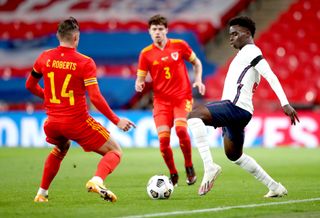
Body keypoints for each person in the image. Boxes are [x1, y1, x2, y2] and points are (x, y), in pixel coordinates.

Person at [26, 17, 135, 203]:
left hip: (52, 122)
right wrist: (117, 120)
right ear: (76, 38)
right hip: (76, 122)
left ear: (57, 35)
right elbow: (95, 97)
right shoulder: (84, 62)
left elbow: (30, 85)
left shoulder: (44, 56)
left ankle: (41, 194)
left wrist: (52, 99)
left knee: (61, 147)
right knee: (115, 151)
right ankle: (97, 181)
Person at [187, 16, 299, 197]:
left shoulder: (251, 51)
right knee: (234, 155)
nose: (231, 38)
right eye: (230, 35)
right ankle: (274, 186)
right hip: (239, 111)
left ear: (247, 33)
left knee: (194, 115)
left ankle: (209, 166)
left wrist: (284, 102)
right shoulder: (243, 54)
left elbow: (270, 75)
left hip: (235, 107)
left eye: (235, 34)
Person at [135, 14, 205, 186]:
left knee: (181, 130)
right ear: (149, 32)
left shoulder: (180, 45)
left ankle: (189, 166)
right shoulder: (145, 54)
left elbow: (197, 63)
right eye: (154, 29)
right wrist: (139, 84)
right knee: (163, 142)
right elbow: (140, 78)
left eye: (160, 29)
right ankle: (173, 173)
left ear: (166, 30)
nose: (157, 32)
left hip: (182, 98)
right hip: (161, 102)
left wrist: (198, 80)